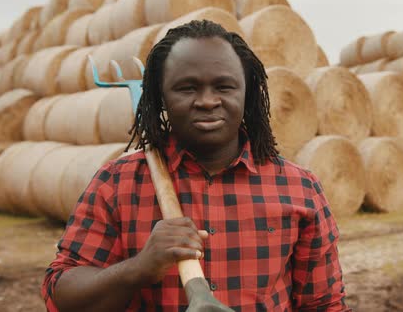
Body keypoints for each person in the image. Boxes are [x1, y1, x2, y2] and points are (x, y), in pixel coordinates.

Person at [42, 20, 352, 311]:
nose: (206, 101)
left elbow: (323, 304)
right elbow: (61, 295)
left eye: (224, 86)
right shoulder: (117, 183)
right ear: (161, 96)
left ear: (248, 93)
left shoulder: (299, 188)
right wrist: (139, 267)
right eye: (187, 88)